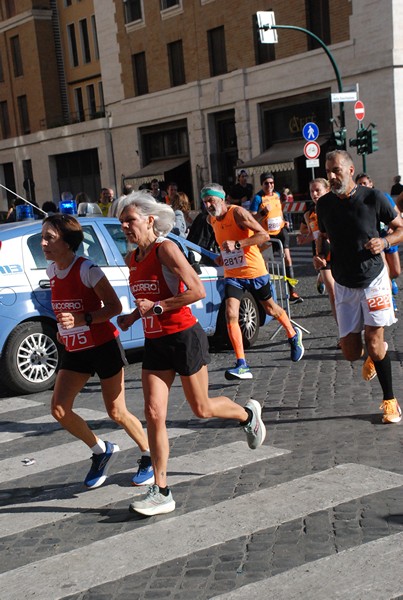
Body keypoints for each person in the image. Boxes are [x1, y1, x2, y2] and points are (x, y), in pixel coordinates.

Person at [116, 192, 265, 516]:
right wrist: (132, 316)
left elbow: (196, 289)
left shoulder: (165, 249)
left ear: (149, 219)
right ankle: (162, 489)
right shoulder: (133, 259)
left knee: (202, 408)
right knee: (154, 414)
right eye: (122, 222)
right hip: (156, 342)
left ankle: (247, 416)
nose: (125, 226)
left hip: (185, 337)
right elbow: (146, 299)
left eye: (131, 220)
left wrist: (157, 307)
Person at [41, 214, 154, 488]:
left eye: (50, 238)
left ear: (68, 243)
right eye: (42, 237)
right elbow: (64, 310)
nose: (42, 243)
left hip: (103, 346)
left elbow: (114, 308)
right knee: (58, 409)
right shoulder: (51, 272)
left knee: (116, 411)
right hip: (75, 349)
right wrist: (63, 329)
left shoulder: (87, 269)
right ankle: (100, 449)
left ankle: (149, 454)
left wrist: (82, 320)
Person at [315, 150, 403, 424]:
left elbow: (400, 227)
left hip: (373, 279)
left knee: (375, 344)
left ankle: (390, 401)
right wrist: (320, 255)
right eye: (328, 170)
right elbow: (325, 237)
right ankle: (373, 356)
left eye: (336, 170)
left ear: (350, 170)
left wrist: (385, 243)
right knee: (351, 352)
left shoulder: (374, 198)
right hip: (344, 282)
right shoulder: (324, 204)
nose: (331, 176)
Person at [203, 183, 304, 380]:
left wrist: (238, 244)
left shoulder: (238, 213)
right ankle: (242, 363)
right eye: (205, 201)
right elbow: (226, 242)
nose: (208, 205)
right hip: (233, 275)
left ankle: (293, 334)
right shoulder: (211, 220)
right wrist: (223, 256)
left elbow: (263, 235)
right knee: (231, 314)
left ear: (222, 199)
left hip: (254, 271)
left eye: (211, 200)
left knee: (270, 309)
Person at [250, 173, 303, 304]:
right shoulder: (257, 198)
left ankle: (292, 292)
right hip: (266, 235)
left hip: (280, 231)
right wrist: (263, 213)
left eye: (271, 183)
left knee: (288, 259)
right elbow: (251, 219)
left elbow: (278, 211)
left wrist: (284, 221)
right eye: (266, 183)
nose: (269, 185)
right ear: (262, 184)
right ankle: (268, 296)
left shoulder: (277, 195)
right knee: (266, 264)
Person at [355, 172, 401, 301]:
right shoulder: (358, 201)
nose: (363, 185)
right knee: (384, 268)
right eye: (360, 184)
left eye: (365, 183)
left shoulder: (382, 196)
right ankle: (389, 299)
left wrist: (393, 229)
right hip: (374, 239)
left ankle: (391, 281)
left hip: (388, 236)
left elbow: (395, 213)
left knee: (396, 271)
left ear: (371, 183)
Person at [305, 179, 338, 328]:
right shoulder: (309, 213)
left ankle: (320, 278)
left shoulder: (336, 206)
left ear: (327, 189)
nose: (314, 194)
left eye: (318, 190)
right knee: (333, 294)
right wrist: (305, 238)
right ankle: (342, 333)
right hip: (322, 254)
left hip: (338, 251)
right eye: (312, 191)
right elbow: (314, 234)